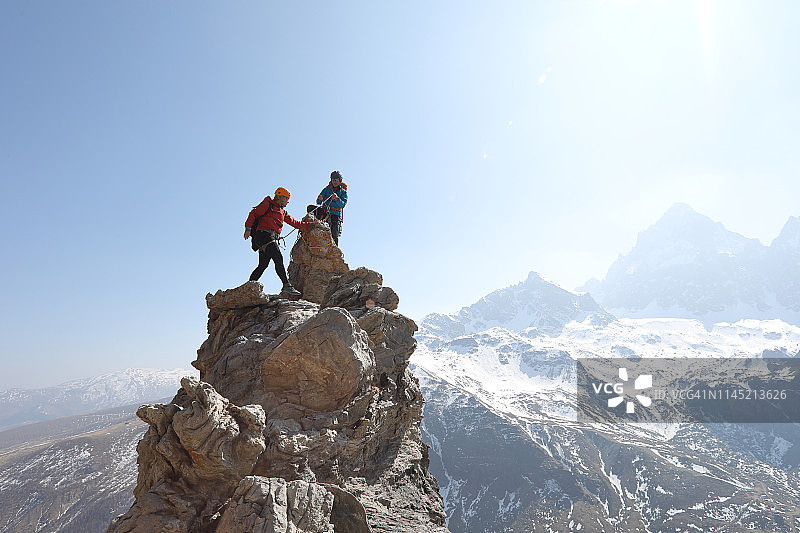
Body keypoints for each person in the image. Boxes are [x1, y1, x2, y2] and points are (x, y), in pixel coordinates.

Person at [244, 187, 310, 296]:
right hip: (263, 235)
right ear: (281, 198)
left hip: (269, 237)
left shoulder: (282, 212)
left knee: (263, 265)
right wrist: (248, 229)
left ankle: (249, 286)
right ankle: (286, 285)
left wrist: (309, 225)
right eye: (287, 199)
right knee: (278, 257)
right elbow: (254, 213)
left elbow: (295, 223)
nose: (288, 202)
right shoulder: (267, 204)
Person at [315, 170, 348, 246]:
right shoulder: (327, 189)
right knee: (310, 208)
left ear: (340, 181)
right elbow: (318, 202)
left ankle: (335, 249)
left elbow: (342, 205)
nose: (334, 181)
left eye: (336, 180)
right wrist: (319, 199)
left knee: (334, 233)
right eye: (333, 180)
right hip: (325, 212)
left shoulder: (343, 192)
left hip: (335, 215)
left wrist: (337, 199)